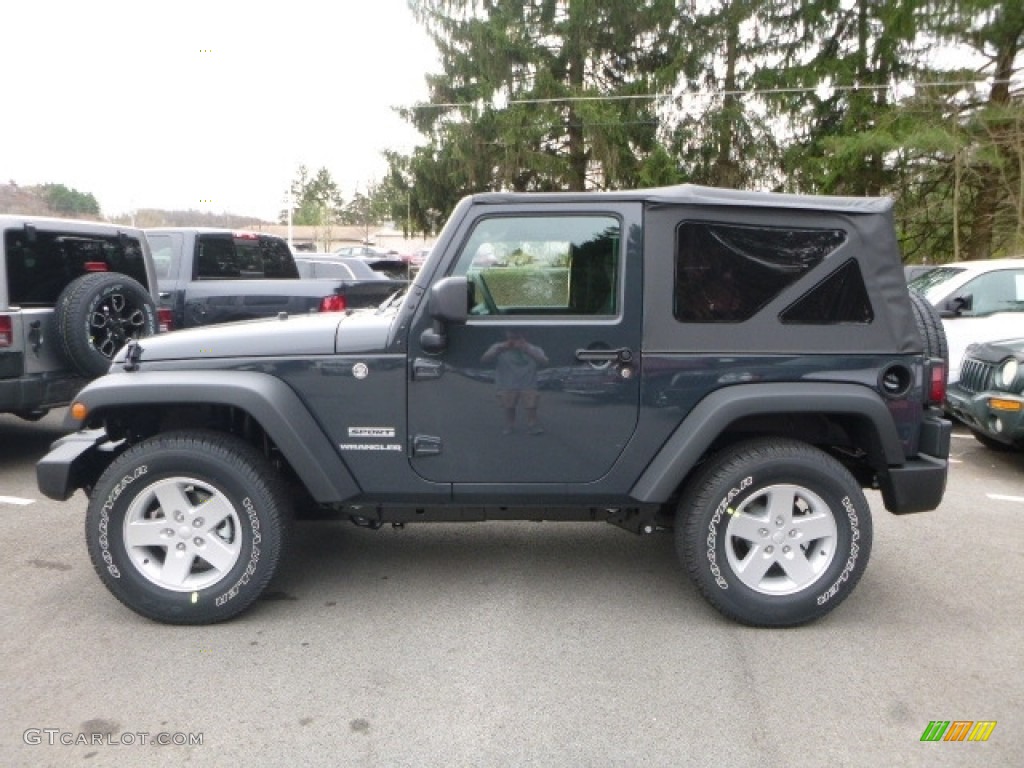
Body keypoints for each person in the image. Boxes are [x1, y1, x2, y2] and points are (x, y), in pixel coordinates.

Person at [481, 330, 549, 435]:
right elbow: (484, 360)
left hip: (528, 382)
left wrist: (527, 350)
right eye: (512, 337)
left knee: (531, 406)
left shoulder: (533, 348)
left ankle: (532, 425)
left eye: (517, 337)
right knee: (509, 406)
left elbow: (545, 362)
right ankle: (509, 426)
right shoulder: (498, 347)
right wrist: (500, 350)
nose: (515, 340)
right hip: (506, 382)